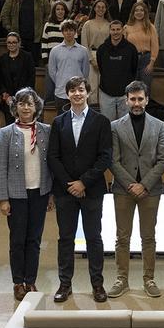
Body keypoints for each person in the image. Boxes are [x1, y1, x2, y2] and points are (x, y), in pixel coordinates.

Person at [47, 76, 113, 303]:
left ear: (88, 93)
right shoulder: (59, 122)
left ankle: (97, 284)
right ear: (67, 94)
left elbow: (105, 157)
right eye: (72, 90)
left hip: (92, 190)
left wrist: (83, 182)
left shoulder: (101, 121)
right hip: (65, 191)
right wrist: (70, 185)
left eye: (81, 90)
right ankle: (65, 284)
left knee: (94, 238)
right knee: (65, 238)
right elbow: (53, 157)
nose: (77, 93)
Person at [109, 81, 164, 299]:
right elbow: (113, 161)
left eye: (140, 99)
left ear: (146, 99)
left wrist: (144, 184)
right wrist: (130, 185)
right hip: (123, 190)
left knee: (148, 237)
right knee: (122, 238)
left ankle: (149, 279)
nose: (136, 103)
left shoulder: (159, 125)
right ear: (126, 100)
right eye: (132, 99)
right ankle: (121, 279)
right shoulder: (115, 126)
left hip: (150, 190)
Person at [0, 86, 54, 301]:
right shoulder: (6, 132)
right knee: (17, 240)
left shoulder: (46, 131)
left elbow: (52, 165)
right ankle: (17, 282)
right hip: (16, 195)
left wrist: (51, 195)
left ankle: (31, 280)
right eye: (21, 103)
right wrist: (3, 198)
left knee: (35, 240)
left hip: (40, 193)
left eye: (30, 103)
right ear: (15, 107)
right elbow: (0, 167)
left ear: (36, 106)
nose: (26, 107)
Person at [95, 20, 140, 120]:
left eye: (118, 29)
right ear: (110, 31)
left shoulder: (131, 49)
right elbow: (101, 68)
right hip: (106, 93)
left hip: (125, 94)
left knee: (124, 126)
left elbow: (134, 68)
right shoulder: (102, 49)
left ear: (123, 30)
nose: (115, 32)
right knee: (107, 124)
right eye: (113, 29)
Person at [46, 19, 89, 107]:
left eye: (71, 30)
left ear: (75, 32)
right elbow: (52, 71)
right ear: (62, 32)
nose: (68, 33)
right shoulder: (55, 51)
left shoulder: (83, 51)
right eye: (66, 30)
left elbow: (85, 72)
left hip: (78, 93)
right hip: (61, 92)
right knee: (61, 119)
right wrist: (60, 82)